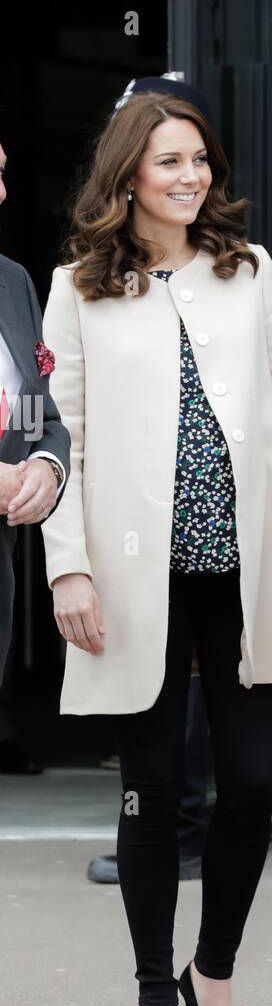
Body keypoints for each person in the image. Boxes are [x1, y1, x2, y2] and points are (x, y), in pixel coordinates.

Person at [40, 82, 272, 1006]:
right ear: (127, 173)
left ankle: (213, 969)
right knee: (154, 791)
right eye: (169, 160)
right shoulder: (77, 286)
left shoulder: (243, 269)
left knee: (253, 781)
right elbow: (60, 439)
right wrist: (68, 564)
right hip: (134, 578)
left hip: (244, 571)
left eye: (200, 159)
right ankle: (153, 996)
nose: (191, 176)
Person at [0, 139, 70, 688]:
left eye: (1, 174)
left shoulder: (13, 281)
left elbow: (35, 413)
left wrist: (43, 465)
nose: (2, 194)